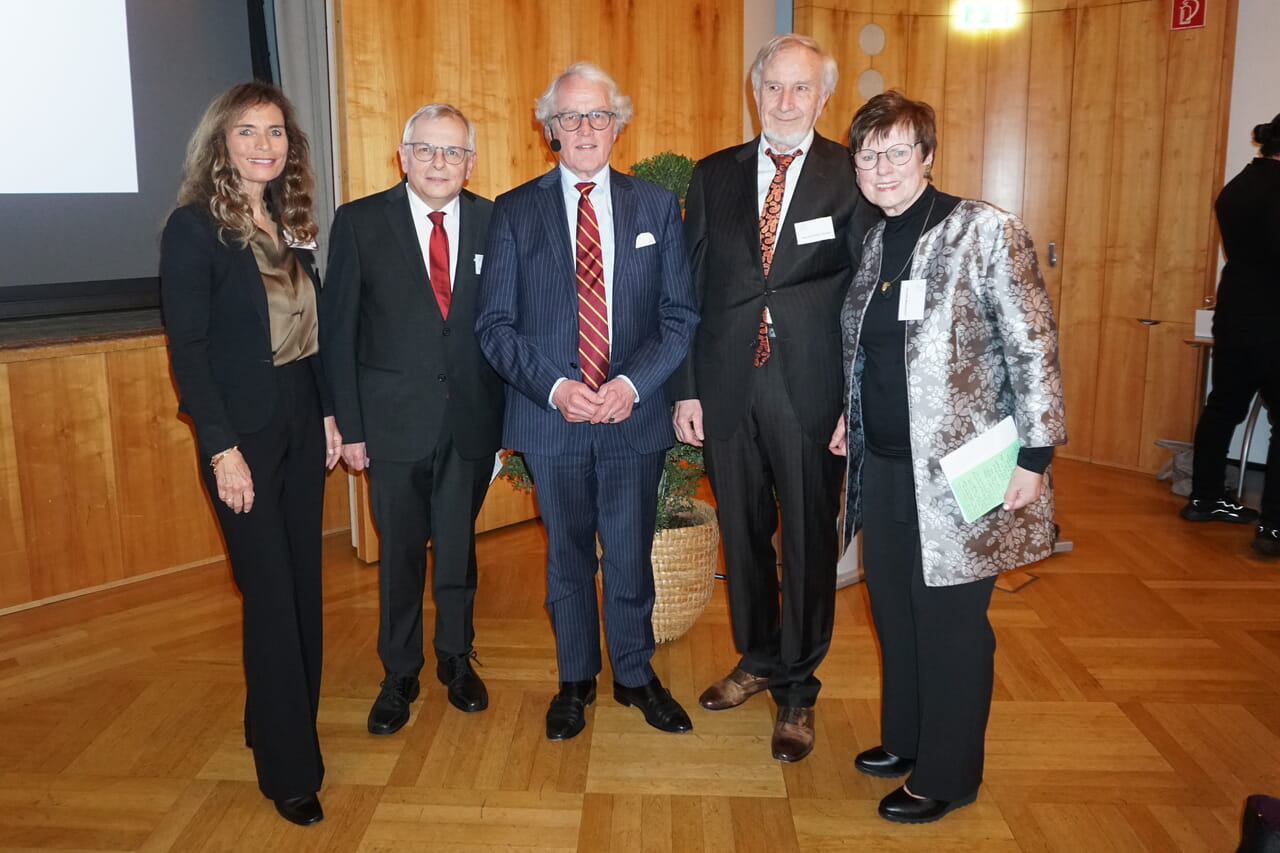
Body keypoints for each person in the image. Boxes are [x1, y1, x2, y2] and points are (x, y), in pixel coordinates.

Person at [830, 90, 1066, 823]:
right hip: (888, 460)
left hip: (974, 465)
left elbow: (1033, 343)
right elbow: (875, 349)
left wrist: (1036, 453)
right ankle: (907, 738)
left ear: (928, 156)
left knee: (951, 622)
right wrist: (851, 412)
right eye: (868, 155)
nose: (882, 167)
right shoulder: (873, 240)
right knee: (894, 609)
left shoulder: (984, 230)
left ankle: (950, 771)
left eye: (898, 151)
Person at [669, 33, 878, 762]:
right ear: (754, 91)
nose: (784, 101)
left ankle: (798, 688)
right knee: (745, 536)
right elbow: (688, 292)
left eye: (800, 88)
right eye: (772, 87)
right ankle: (757, 657)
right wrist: (687, 390)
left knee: (810, 542)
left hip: (809, 389)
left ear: (824, 97)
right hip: (727, 384)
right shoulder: (713, 175)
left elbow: (865, 298)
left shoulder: (851, 176)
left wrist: (858, 398)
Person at [476, 62, 699, 742]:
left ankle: (634, 673)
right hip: (552, 419)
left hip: (633, 415)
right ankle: (576, 678)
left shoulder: (656, 207)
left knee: (630, 551)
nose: (584, 129)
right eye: (569, 117)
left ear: (617, 124)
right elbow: (495, 326)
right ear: (550, 130)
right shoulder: (513, 211)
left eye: (597, 115)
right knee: (567, 555)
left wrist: (630, 385)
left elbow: (680, 315)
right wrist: (554, 387)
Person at [160, 81, 341, 827]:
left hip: (299, 415)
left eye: (276, 133)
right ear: (220, 143)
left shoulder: (285, 222)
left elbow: (313, 328)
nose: (264, 144)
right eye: (248, 132)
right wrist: (221, 447)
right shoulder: (193, 228)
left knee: (301, 584)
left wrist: (328, 411)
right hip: (242, 430)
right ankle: (289, 772)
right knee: (268, 591)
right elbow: (190, 351)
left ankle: (276, 721)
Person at [321, 104, 504, 736]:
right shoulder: (360, 222)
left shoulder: (492, 220)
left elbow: (505, 327)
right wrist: (349, 425)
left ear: (470, 162)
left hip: (473, 423)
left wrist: (509, 426)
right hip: (391, 425)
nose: (439, 163)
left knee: (458, 549)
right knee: (399, 554)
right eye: (426, 150)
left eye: (453, 152)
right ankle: (399, 671)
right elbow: (337, 331)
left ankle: (455, 657)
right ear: (403, 156)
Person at [1180, 112, 1280, 557]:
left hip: (1236, 313)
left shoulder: (1239, 185)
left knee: (1222, 408)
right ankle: (1274, 526)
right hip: (1275, 318)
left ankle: (1204, 499)